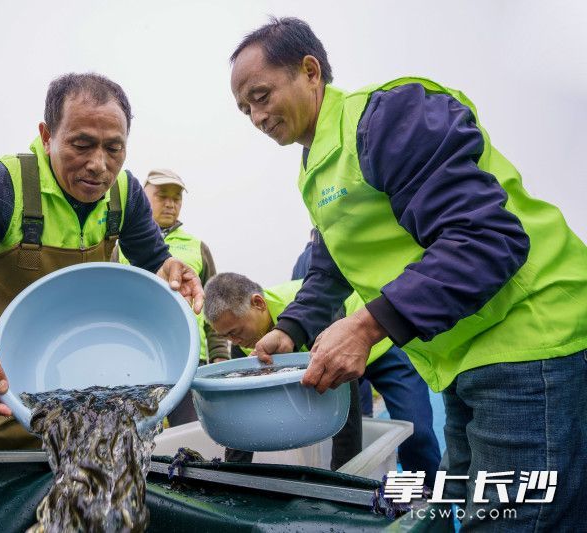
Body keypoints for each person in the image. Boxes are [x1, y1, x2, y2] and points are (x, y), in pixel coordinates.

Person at [229, 17, 587, 529]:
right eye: (244, 108)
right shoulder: (316, 168)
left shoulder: (389, 116)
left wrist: (368, 325)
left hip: (529, 340)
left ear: (310, 71)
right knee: (460, 508)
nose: (256, 116)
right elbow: (331, 268)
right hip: (464, 354)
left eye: (261, 95)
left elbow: (487, 238)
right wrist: (291, 330)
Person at [0, 73, 204, 451]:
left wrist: (168, 267)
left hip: (93, 389)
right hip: (4, 393)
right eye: (81, 144)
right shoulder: (1, 190)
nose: (98, 165)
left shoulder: (127, 194)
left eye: (114, 148)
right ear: (46, 135)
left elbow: (153, 257)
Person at [293, 230, 441, 487]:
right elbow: (311, 309)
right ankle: (368, 494)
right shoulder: (306, 263)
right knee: (355, 430)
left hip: (386, 342)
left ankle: (430, 501)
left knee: (416, 431)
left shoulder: (371, 233)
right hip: (339, 359)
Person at [203, 273, 368, 470]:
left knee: (409, 421)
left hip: (377, 345)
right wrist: (233, 475)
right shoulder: (242, 347)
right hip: (336, 360)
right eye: (226, 337)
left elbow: (344, 406)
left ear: (258, 303)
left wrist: (343, 478)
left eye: (235, 332)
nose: (234, 341)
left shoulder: (311, 312)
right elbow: (243, 413)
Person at [113, 168, 229, 427]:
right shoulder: (120, 248)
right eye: (162, 195)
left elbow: (214, 307)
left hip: (189, 359)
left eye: (176, 198)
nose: (170, 204)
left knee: (192, 435)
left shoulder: (197, 247)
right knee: (134, 435)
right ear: (143, 196)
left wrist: (219, 354)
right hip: (137, 359)